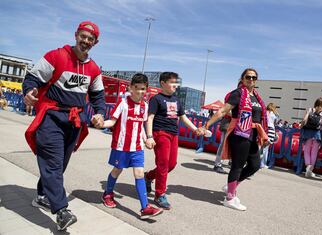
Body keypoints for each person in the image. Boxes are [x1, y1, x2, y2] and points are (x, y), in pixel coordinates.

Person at [22, 21, 105, 231]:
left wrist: (99, 113)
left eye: (90, 39)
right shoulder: (56, 56)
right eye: (83, 36)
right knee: (53, 164)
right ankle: (61, 211)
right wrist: (29, 91)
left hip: (74, 122)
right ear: (76, 35)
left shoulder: (94, 69)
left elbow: (98, 96)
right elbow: (33, 77)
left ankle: (42, 195)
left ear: (95, 43)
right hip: (51, 117)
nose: (86, 41)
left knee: (60, 165)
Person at [198, 68, 268, 211]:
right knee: (237, 165)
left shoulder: (256, 96)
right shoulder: (238, 94)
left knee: (255, 165)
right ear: (242, 79)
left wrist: (266, 133)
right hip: (240, 133)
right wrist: (206, 125)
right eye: (248, 77)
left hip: (253, 134)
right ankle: (230, 198)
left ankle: (231, 186)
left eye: (254, 78)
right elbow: (223, 111)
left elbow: (261, 116)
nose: (251, 80)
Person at [100, 73, 163, 219]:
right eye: (137, 88)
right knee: (117, 170)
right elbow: (112, 122)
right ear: (130, 88)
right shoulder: (123, 103)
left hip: (137, 147)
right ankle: (107, 194)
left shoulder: (145, 106)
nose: (140, 92)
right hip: (121, 146)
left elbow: (142, 124)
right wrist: (102, 124)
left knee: (139, 173)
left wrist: (148, 138)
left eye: (143, 89)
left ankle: (145, 208)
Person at [144, 72, 199, 210]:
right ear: (163, 83)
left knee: (172, 164)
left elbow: (184, 117)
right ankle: (159, 194)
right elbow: (150, 118)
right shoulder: (156, 99)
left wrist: (195, 129)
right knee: (163, 164)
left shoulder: (176, 100)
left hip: (174, 134)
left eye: (177, 83)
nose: (175, 85)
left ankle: (149, 176)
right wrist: (149, 137)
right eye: (172, 82)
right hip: (160, 133)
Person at [300, 97, 322, 178]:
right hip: (317, 133)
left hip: (308, 132)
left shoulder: (310, 110)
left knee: (306, 150)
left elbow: (304, 120)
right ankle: (310, 170)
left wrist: (301, 127)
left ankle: (308, 167)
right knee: (314, 152)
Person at [260, 103, 279, 168]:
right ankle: (262, 163)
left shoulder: (264, 112)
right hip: (271, 130)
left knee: (261, 146)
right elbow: (275, 123)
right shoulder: (274, 114)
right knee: (266, 148)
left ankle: (258, 161)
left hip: (264, 129)